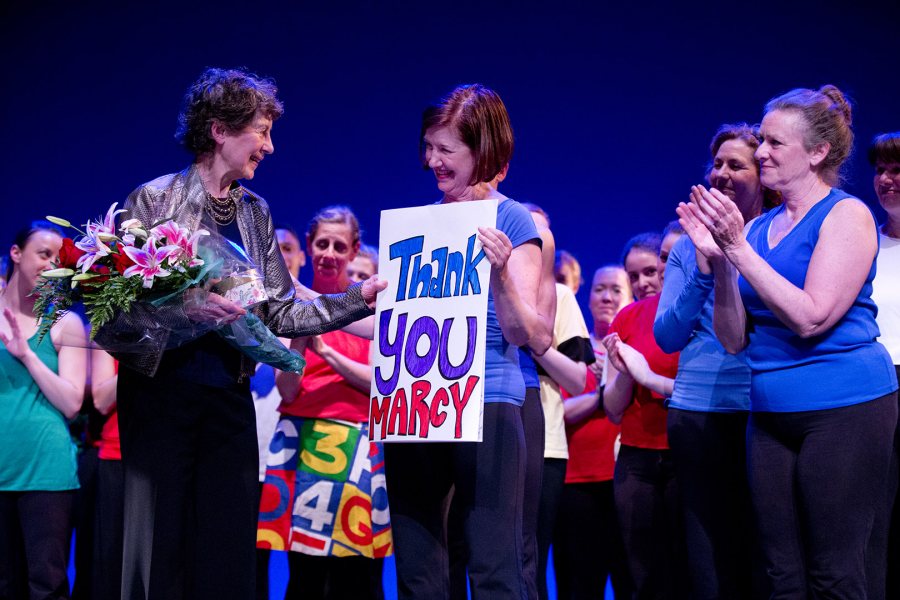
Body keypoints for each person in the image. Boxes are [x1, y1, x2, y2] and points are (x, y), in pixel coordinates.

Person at [110, 68, 385, 600]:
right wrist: (189, 313)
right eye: (261, 130)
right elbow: (116, 318)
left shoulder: (255, 213)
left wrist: (357, 300)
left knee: (226, 551)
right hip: (161, 395)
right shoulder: (153, 200)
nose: (270, 146)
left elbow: (279, 314)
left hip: (228, 399)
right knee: (160, 543)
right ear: (219, 129)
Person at [679, 85, 897, 598]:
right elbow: (732, 340)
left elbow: (812, 317)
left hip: (845, 408)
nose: (760, 153)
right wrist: (720, 264)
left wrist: (736, 248)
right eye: (762, 141)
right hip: (770, 413)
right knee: (781, 573)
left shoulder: (847, 215)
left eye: (775, 143)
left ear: (817, 152)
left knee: (836, 571)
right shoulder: (756, 230)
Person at [385, 83, 550, 600]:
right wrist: (311, 301)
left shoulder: (511, 219)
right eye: (428, 147)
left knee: (494, 564)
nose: (432, 160)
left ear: (483, 151)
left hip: (486, 401)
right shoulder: (420, 224)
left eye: (446, 150)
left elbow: (532, 334)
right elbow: (392, 319)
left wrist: (500, 275)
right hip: (413, 401)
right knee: (417, 567)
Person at [654, 124, 765, 599]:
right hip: (695, 413)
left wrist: (730, 259)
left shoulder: (776, 236)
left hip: (761, 411)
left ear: (765, 175)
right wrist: (702, 268)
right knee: (706, 553)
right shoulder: (685, 247)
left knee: (761, 547)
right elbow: (667, 336)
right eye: (717, 164)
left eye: (736, 164)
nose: (721, 173)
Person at [258, 205, 390, 599]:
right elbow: (287, 390)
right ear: (310, 248)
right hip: (301, 441)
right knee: (306, 574)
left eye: (338, 245)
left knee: (359, 574)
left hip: (357, 444)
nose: (329, 252)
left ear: (353, 251)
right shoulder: (289, 309)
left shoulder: (371, 313)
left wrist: (330, 354)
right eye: (321, 243)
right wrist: (302, 331)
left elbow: (379, 386)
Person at [0, 221, 88, 599]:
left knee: (46, 584)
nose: (52, 263)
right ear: (17, 255)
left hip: (46, 471)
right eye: (43, 253)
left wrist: (28, 357)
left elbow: (72, 403)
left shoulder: (64, 323)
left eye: (58, 257)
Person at [602, 231, 684, 598]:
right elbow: (613, 409)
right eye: (633, 276)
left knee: (688, 563)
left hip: (686, 450)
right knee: (644, 571)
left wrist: (650, 375)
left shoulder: (688, 310)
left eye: (650, 271)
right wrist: (623, 370)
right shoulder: (627, 318)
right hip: (637, 460)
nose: (642, 283)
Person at [555, 265, 633, 600]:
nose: (606, 296)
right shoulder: (574, 349)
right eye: (600, 289)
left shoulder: (638, 349)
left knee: (632, 580)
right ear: (587, 298)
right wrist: (601, 394)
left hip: (625, 481)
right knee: (579, 585)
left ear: (630, 296)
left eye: (616, 289)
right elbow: (558, 412)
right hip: (575, 484)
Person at [868, 131, 900, 600]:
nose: (887, 179)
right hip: (876, 387)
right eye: (880, 170)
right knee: (877, 514)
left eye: (898, 170)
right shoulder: (863, 244)